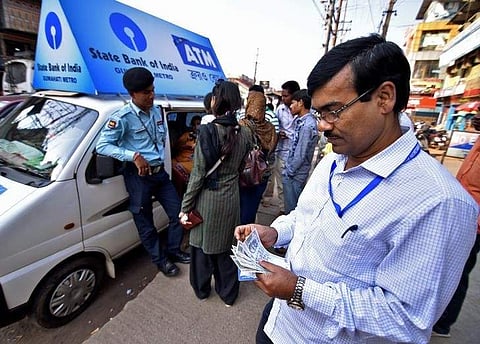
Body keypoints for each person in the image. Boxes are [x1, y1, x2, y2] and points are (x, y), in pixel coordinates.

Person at [234, 34, 478, 343]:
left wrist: (300, 289)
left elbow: (406, 320)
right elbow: (305, 217)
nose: (322, 125)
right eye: (318, 114)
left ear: (384, 98)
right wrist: (276, 232)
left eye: (333, 112)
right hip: (279, 321)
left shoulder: (439, 203)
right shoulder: (335, 159)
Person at [96, 67, 190, 277]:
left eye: (152, 90)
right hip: (139, 178)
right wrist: (133, 156)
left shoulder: (157, 111)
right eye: (146, 92)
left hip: (160, 174)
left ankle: (174, 251)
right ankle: (161, 261)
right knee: (145, 224)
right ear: (132, 94)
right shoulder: (121, 117)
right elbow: (102, 146)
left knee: (179, 215)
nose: (152, 95)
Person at [179, 80, 253, 306]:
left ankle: (202, 290)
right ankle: (228, 294)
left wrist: (185, 207)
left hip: (207, 201)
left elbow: (198, 175)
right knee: (227, 249)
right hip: (231, 199)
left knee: (202, 249)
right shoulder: (246, 132)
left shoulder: (208, 132)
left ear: (217, 101)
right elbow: (241, 168)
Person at [432, 112, 480, 337]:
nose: (474, 120)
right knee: (451, 268)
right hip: (464, 216)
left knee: (460, 272)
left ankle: (443, 324)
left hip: (476, 223)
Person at [239, 87, 277, 224]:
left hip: (244, 175)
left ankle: (239, 238)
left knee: (241, 209)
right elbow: (271, 153)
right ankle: (247, 236)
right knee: (252, 208)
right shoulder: (271, 128)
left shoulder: (243, 126)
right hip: (261, 176)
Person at [262, 80, 300, 213]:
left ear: (294, 95)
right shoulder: (280, 109)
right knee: (281, 185)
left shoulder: (304, 111)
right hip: (282, 153)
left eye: (286, 96)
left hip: (297, 157)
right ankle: (284, 210)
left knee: (294, 186)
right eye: (282, 96)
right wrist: (279, 133)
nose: (283, 99)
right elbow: (274, 128)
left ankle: (292, 210)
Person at [282, 89, 318, 213]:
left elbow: (300, 154)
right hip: (295, 173)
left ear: (301, 103)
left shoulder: (307, 125)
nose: (290, 106)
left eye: (293, 103)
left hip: (295, 175)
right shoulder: (303, 122)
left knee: (292, 211)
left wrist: (289, 171)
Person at [171, 115, 202, 196]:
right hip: (180, 158)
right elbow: (176, 147)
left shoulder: (203, 136)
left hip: (192, 161)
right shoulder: (186, 135)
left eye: (199, 124)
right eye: (195, 124)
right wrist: (186, 146)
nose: (197, 126)